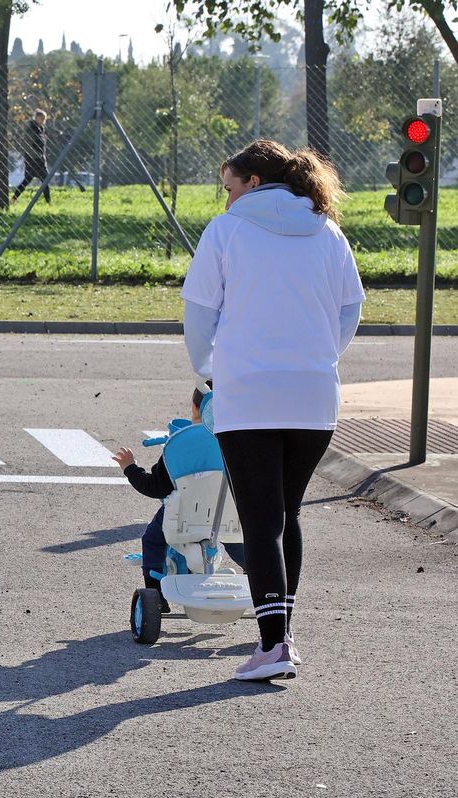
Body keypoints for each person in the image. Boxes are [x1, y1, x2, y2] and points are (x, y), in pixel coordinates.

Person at [182, 138, 363, 682]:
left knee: (261, 522)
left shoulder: (226, 231)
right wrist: (322, 357)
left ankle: (273, 645)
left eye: (230, 187)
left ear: (253, 183)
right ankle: (282, 633)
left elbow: (198, 311)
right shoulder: (328, 230)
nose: (227, 198)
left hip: (249, 394)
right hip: (313, 395)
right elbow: (351, 306)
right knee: (288, 516)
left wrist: (210, 368)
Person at [111, 382, 247, 608]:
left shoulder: (180, 446)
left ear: (195, 409)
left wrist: (130, 468)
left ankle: (155, 595)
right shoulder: (241, 442)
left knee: (153, 541)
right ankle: (260, 579)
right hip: (228, 515)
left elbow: (154, 487)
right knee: (240, 542)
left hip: (183, 518)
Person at [12, 109, 51, 204]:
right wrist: (36, 155)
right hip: (32, 159)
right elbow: (27, 145)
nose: (42, 121)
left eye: (44, 119)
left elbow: (42, 145)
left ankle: (48, 201)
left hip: (40, 159)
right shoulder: (31, 130)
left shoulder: (41, 130)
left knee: (44, 180)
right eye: (41, 119)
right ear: (36, 118)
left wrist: (42, 156)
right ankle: (14, 198)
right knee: (29, 180)